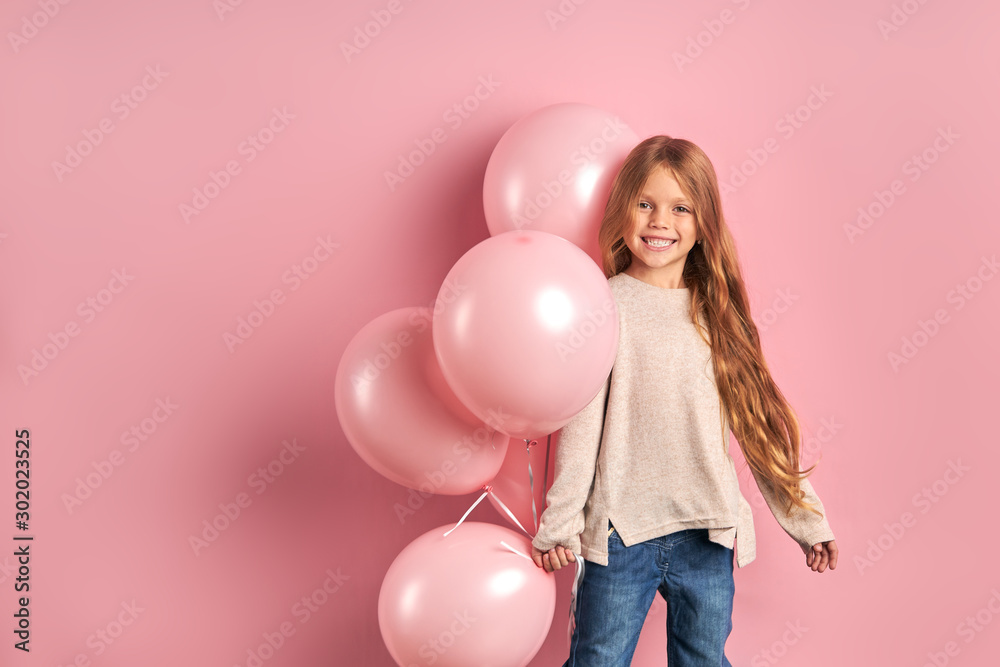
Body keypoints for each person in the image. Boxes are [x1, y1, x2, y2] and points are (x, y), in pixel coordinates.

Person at [529, 135, 839, 666]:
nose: (659, 222)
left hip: (707, 532)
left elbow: (760, 431)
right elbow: (581, 429)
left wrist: (808, 521)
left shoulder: (718, 317)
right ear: (623, 209)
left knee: (703, 659)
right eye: (645, 204)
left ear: (702, 224)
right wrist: (560, 524)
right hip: (621, 534)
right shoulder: (601, 306)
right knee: (597, 659)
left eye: (680, 208)